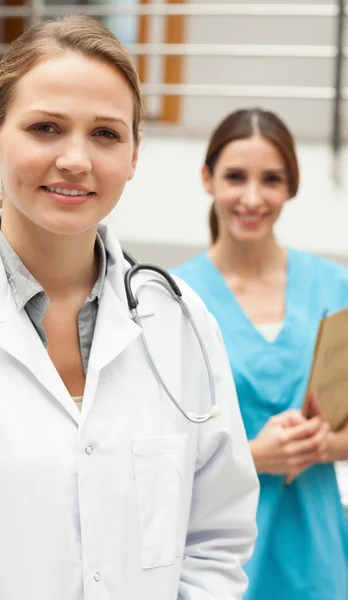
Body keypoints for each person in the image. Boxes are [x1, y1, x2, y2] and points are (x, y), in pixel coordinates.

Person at [0, 16, 259, 600]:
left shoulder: (182, 321)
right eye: (45, 127)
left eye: (106, 134)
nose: (75, 159)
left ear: (136, 153)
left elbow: (216, 536)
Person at [172, 108, 348, 600]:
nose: (252, 198)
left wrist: (323, 446)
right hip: (214, 561)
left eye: (271, 179)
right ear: (207, 179)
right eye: (235, 177)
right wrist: (252, 457)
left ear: (291, 186)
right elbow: (148, 450)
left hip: (317, 555)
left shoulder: (336, 288)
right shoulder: (171, 299)